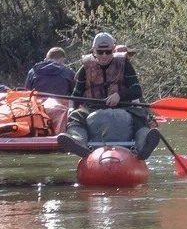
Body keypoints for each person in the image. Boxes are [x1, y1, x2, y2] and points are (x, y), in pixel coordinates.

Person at [59, 31, 161, 160]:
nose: (104, 55)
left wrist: (119, 95)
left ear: (113, 49)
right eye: (100, 52)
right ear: (93, 50)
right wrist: (71, 110)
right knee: (75, 116)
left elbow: (137, 90)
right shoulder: (85, 68)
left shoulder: (125, 65)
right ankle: (78, 142)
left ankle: (144, 144)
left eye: (108, 51)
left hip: (124, 108)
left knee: (140, 115)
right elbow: (76, 95)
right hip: (93, 109)